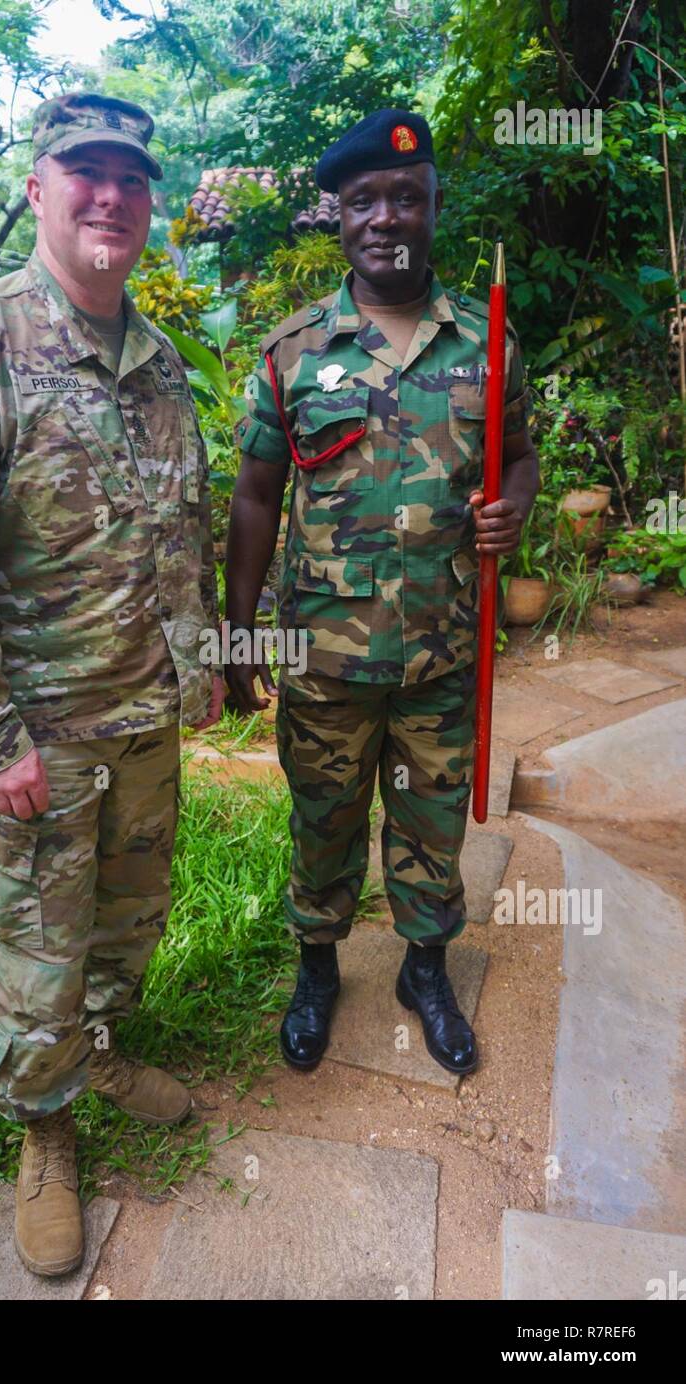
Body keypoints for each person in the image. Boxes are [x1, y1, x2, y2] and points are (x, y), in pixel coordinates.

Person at [0, 91, 224, 1277]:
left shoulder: (159, 360)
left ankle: (102, 1044)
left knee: (126, 921)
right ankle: (44, 1127)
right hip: (36, 742)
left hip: (139, 719)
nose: (110, 195)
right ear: (38, 188)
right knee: (36, 950)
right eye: (86, 172)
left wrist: (200, 664)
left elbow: (181, 524)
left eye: (130, 175)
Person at [225, 108, 538, 1078]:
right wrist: (239, 639)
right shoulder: (293, 351)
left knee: (431, 819)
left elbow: (520, 457)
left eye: (406, 196)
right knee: (321, 817)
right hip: (323, 661)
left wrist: (512, 509)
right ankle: (317, 968)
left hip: (440, 654)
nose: (385, 215)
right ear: (339, 214)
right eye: (364, 199)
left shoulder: (486, 346)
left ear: (433, 205)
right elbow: (253, 496)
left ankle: (424, 969)